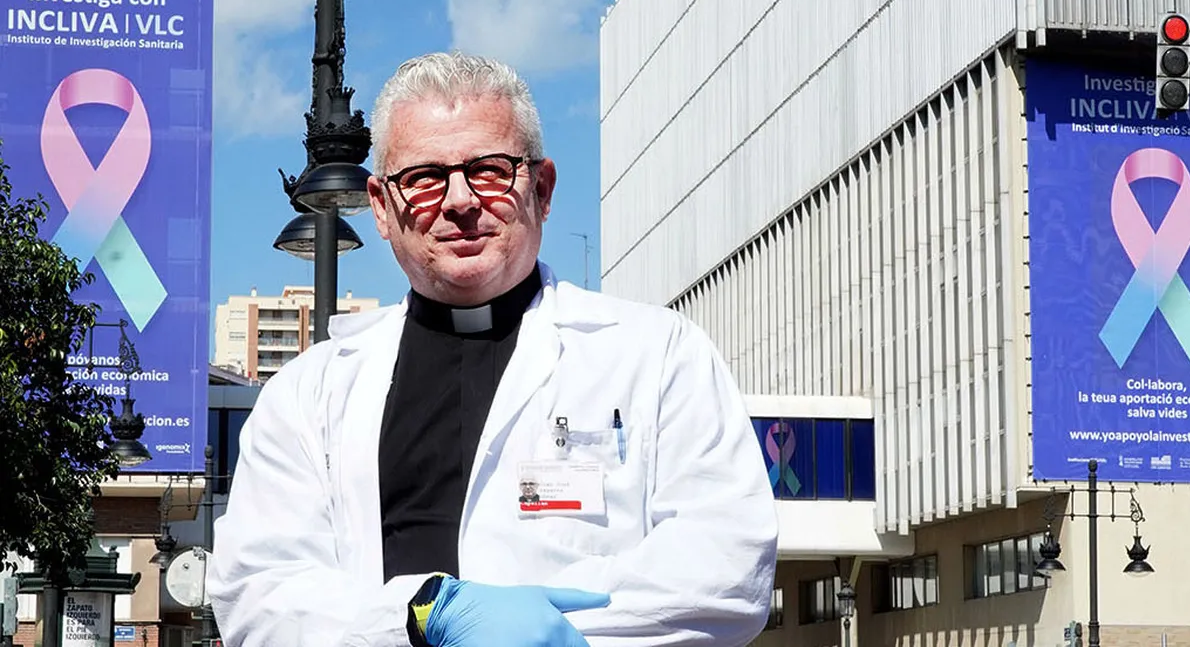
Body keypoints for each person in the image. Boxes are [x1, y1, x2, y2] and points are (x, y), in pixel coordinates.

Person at [207, 51, 778, 647]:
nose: (459, 200)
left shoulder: (659, 356)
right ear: (380, 206)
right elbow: (259, 594)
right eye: (423, 178)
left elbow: (725, 570)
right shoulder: (307, 395)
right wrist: (423, 617)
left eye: (489, 170)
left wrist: (545, 636)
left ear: (543, 189)